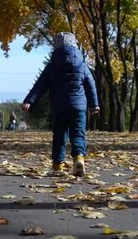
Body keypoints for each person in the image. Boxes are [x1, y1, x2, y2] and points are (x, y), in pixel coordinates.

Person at [22, 32, 99, 177]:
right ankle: (79, 158)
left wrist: (29, 101)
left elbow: (40, 86)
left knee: (59, 137)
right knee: (78, 134)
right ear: (75, 45)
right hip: (79, 108)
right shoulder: (82, 65)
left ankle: (57, 166)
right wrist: (94, 104)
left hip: (60, 108)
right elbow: (91, 85)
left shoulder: (52, 66)